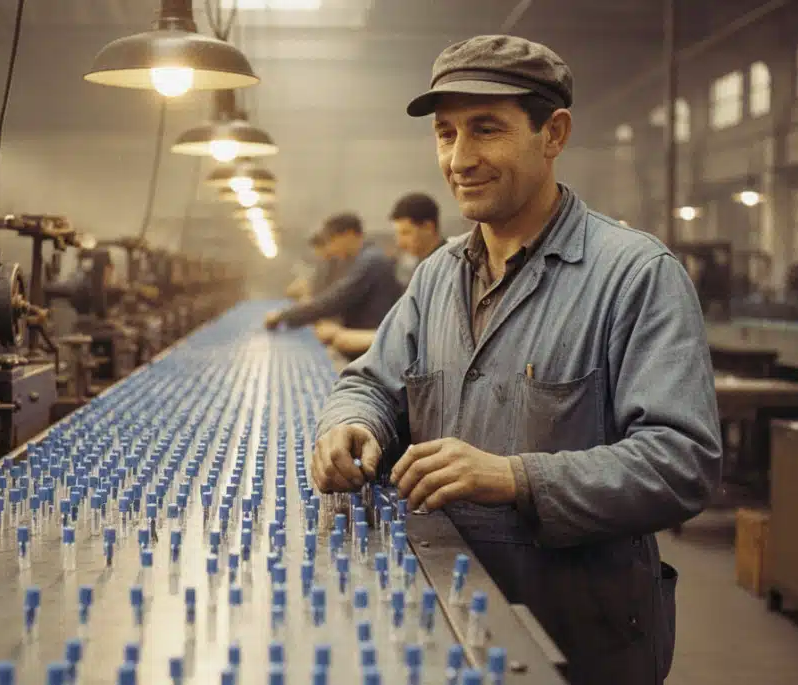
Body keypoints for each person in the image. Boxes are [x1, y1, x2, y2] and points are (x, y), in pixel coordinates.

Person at [309, 36, 720, 685]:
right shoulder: (436, 276)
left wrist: (516, 477)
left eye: (486, 130)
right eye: (446, 134)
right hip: (442, 616)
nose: (459, 158)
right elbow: (370, 383)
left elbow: (683, 463)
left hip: (582, 637)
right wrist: (350, 423)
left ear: (552, 133)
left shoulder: (635, 276)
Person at [326, 192, 448, 356]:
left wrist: (370, 338)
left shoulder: (446, 268)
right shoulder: (424, 265)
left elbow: (433, 334)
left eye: (406, 233)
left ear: (428, 227)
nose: (399, 242)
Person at [264, 213, 400, 331]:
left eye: (332, 240)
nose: (331, 248)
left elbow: (336, 299)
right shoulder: (360, 259)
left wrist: (284, 316)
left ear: (348, 234)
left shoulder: (371, 261)